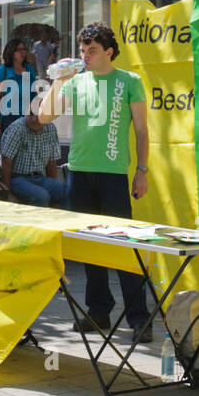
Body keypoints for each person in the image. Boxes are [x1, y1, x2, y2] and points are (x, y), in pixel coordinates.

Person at [39, 21, 152, 342]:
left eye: (92, 51)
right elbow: (46, 116)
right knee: (90, 248)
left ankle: (139, 317)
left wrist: (141, 171)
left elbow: (142, 131)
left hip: (114, 175)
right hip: (79, 171)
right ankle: (99, 310)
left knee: (125, 247)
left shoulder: (129, 81)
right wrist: (59, 81)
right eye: (82, 51)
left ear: (109, 52)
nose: (86, 56)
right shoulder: (76, 82)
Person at [0, 104, 66, 207]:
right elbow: (6, 161)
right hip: (17, 179)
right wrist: (7, 194)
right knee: (42, 196)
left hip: (39, 177)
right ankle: (39, 222)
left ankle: (61, 222)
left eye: (37, 115)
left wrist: (53, 188)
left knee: (63, 190)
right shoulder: (18, 128)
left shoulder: (51, 128)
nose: (33, 119)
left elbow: (51, 161)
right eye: (30, 114)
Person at [0, 37, 38, 134]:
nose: (22, 52)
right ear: (11, 52)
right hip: (8, 118)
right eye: (19, 50)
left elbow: (34, 95)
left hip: (27, 117)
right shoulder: (3, 70)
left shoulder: (29, 69)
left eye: (24, 49)